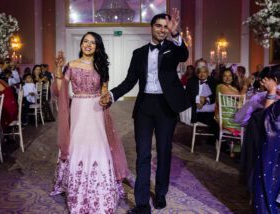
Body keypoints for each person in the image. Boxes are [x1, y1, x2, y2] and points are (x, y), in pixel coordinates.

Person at [100, 8, 189, 213]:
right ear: (151, 28)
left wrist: (176, 35)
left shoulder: (172, 49)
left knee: (164, 151)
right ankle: (141, 203)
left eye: (165, 27)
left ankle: (160, 193)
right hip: (144, 107)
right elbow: (130, 81)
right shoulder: (138, 53)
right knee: (143, 154)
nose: (162, 30)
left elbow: (184, 54)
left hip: (166, 106)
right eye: (158, 26)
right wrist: (113, 95)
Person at [50, 32, 129, 213]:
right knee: (78, 145)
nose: (88, 45)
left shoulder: (101, 66)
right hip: (78, 110)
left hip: (96, 112)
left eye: (92, 42)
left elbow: (104, 91)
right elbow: (59, 90)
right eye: (85, 41)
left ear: (97, 47)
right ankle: (77, 192)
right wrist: (58, 69)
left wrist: (104, 98)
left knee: (99, 146)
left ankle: (101, 193)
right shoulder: (71, 65)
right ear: (81, 44)